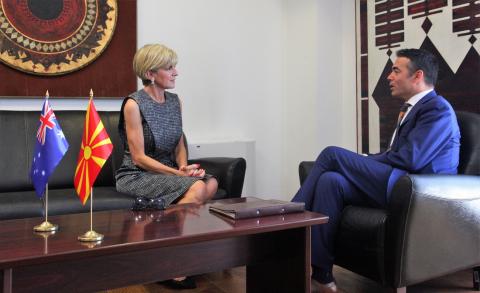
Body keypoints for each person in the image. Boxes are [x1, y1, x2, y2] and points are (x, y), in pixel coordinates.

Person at [292, 48, 460, 292]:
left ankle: (288, 219)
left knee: (331, 154)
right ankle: (322, 273)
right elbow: (395, 156)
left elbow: (411, 159)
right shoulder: (410, 109)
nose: (389, 77)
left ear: (417, 76)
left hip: (419, 190)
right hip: (400, 181)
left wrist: (364, 162)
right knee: (330, 180)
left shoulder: (438, 109)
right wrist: (365, 159)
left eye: (395, 70)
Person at [116, 43, 218, 289]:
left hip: (170, 170)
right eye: (169, 68)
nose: (176, 72)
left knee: (211, 182)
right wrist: (180, 175)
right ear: (150, 73)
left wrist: (184, 168)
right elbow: (138, 157)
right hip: (138, 173)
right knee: (197, 190)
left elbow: (179, 142)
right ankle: (173, 263)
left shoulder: (175, 101)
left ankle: (159, 248)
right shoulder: (133, 104)